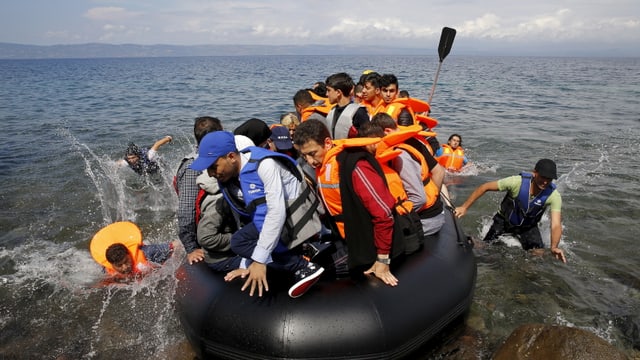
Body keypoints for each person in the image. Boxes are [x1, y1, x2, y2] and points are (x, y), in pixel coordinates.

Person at [191, 131, 324, 298]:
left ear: (231, 157)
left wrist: (260, 261)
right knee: (239, 241)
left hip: (295, 217)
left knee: (244, 242)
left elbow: (275, 213)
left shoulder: (265, 165)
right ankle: (296, 258)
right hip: (275, 220)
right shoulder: (232, 177)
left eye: (213, 167)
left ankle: (302, 266)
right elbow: (249, 216)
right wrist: (248, 264)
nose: (210, 173)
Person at [293, 118, 405, 287]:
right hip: (347, 238)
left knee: (321, 273)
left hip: (369, 245)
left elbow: (384, 214)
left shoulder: (355, 165)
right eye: (304, 156)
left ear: (328, 143)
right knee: (308, 263)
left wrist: (382, 259)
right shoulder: (323, 165)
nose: (309, 161)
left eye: (312, 153)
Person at [455, 159, 566, 263]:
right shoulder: (516, 182)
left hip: (528, 227)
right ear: (534, 173)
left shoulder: (553, 195)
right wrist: (464, 207)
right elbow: (485, 187)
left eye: (549, 179)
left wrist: (554, 247)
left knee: (538, 254)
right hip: (504, 221)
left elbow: (556, 224)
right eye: (543, 177)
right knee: (485, 248)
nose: (545, 182)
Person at [368, 114, 447, 235]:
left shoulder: (400, 155)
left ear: (387, 131)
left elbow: (419, 199)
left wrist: (392, 217)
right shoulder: (413, 140)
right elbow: (439, 171)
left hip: (425, 219)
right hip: (434, 210)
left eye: (378, 139)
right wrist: (434, 197)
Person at [174, 116, 223, 265]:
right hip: (204, 236)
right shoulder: (193, 167)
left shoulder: (216, 158)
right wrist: (191, 248)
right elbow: (186, 210)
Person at [90, 221, 180, 278]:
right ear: (112, 265)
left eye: (126, 261)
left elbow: (175, 245)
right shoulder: (107, 269)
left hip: (156, 260)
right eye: (119, 265)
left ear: (129, 254)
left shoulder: (147, 252)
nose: (125, 267)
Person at [324, 72, 369, 139]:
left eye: (329, 90)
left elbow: (368, 138)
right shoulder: (332, 111)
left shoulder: (359, 112)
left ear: (338, 92)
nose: (326, 94)